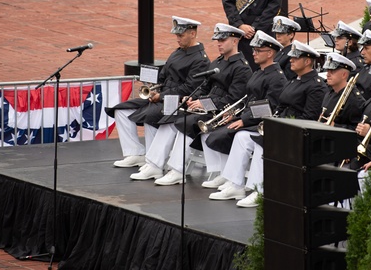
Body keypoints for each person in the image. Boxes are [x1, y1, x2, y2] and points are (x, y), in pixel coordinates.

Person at [210, 40, 326, 206]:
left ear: (308, 61)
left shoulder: (316, 86)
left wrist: (280, 126)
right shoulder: (295, 80)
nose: (290, 60)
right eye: (291, 57)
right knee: (242, 138)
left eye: (295, 58)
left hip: (295, 132)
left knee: (261, 143)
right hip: (280, 124)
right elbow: (280, 106)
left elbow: (309, 118)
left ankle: (259, 190)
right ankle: (236, 184)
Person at [132, 23, 251, 185]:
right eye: (218, 40)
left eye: (223, 40)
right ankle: (154, 163)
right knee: (173, 116)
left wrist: (203, 103)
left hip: (221, 111)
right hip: (206, 107)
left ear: (235, 41)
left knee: (186, 123)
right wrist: (192, 98)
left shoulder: (241, 68)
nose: (218, 44)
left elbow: (233, 100)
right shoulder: (218, 62)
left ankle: (177, 170)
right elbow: (204, 87)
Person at [105, 16, 210, 168]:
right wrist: (154, 87)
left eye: (180, 35)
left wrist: (161, 95)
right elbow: (164, 75)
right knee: (121, 110)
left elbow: (189, 88)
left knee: (151, 115)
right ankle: (135, 153)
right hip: (162, 96)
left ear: (192, 34)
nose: (177, 39)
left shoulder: (200, 60)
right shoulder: (178, 52)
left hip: (176, 102)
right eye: (176, 35)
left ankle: (153, 161)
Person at [201, 30, 287, 188]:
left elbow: (267, 107)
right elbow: (247, 99)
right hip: (249, 116)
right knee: (216, 129)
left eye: (257, 50)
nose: (253, 53)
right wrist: (233, 115)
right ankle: (227, 175)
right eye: (253, 50)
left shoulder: (277, 77)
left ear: (269, 53)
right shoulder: (259, 72)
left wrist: (243, 120)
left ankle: (236, 184)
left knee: (240, 136)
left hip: (261, 122)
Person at [272, 15, 300, 80]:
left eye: (281, 33)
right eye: (276, 33)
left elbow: (287, 77)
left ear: (291, 35)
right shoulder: (278, 51)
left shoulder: (292, 54)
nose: (277, 36)